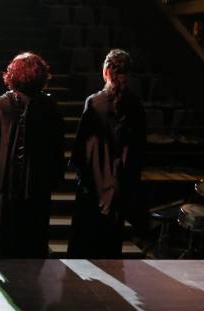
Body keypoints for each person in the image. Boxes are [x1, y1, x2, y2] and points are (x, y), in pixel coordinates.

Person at [0, 52, 64, 259]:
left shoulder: (0, 106)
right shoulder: (49, 107)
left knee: (4, 239)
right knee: (31, 240)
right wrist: (55, 177)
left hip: (4, 183)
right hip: (36, 184)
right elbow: (57, 147)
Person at [67, 49, 147, 259]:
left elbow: (81, 145)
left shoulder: (94, 103)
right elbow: (139, 149)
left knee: (86, 239)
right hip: (120, 182)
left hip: (94, 180)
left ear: (107, 70)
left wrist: (80, 171)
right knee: (110, 244)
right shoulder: (136, 106)